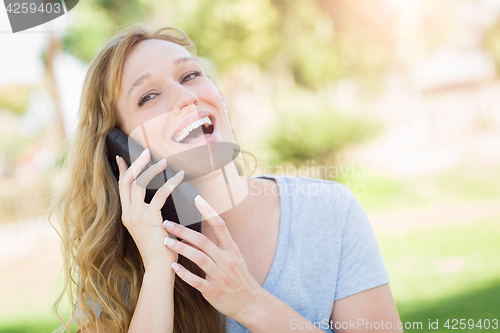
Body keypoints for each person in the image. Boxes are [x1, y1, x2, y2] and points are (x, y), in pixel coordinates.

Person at [51, 23, 403, 333]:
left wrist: (252, 305)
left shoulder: (329, 212)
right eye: (149, 96)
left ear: (221, 97)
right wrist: (158, 270)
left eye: (190, 76)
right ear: (122, 149)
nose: (187, 97)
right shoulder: (122, 267)